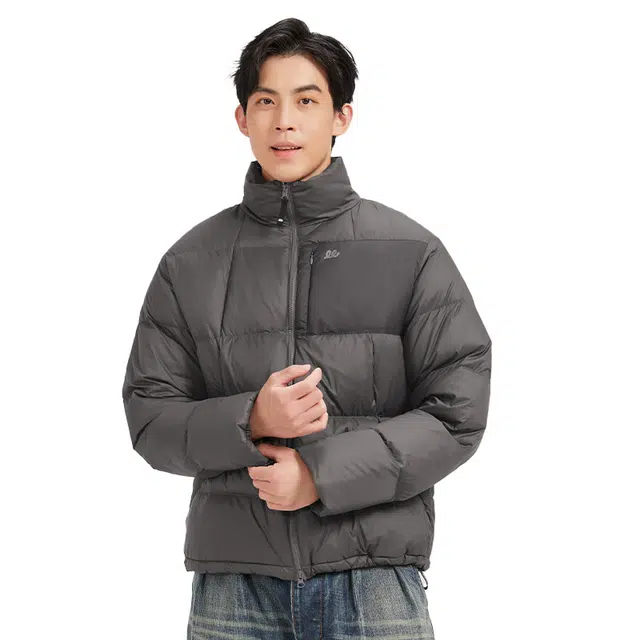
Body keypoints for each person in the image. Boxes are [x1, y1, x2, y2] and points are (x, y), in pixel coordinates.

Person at [122, 17, 492, 640]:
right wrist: (251, 420)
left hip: (372, 581)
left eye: (306, 100)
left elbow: (457, 414)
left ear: (342, 116)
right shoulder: (189, 262)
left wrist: (321, 475)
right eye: (266, 102)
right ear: (242, 118)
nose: (284, 122)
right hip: (234, 584)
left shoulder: (412, 252)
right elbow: (148, 416)